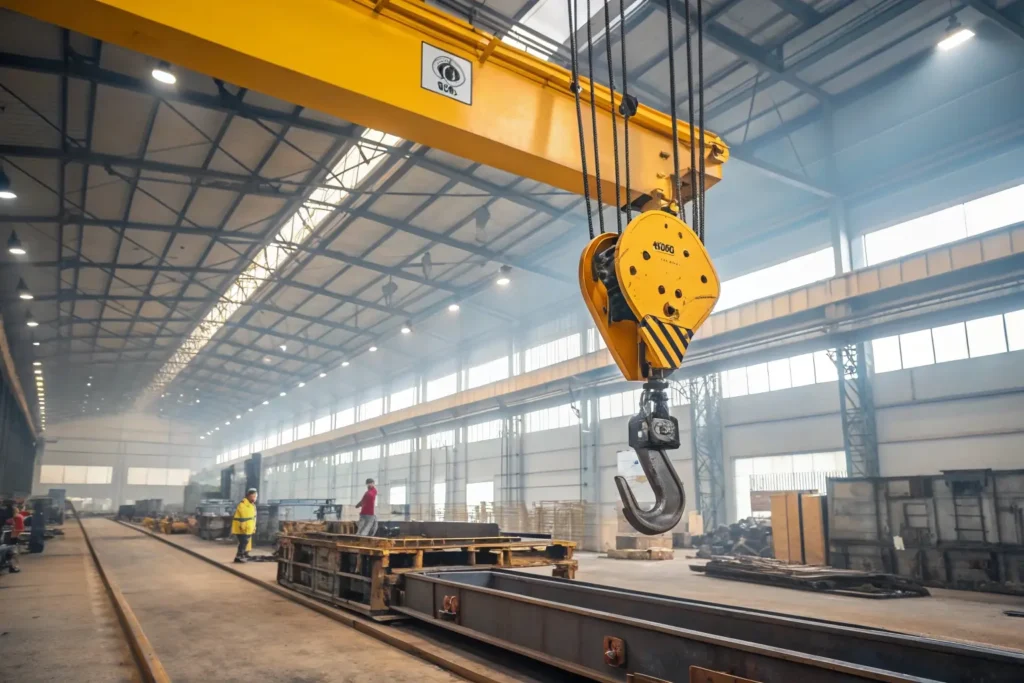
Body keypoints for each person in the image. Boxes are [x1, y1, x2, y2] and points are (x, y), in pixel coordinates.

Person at [232, 488, 258, 563]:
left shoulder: (251, 505)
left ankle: (245, 554)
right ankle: (239, 556)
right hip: (242, 528)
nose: (254, 498)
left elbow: (253, 518)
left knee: (247, 542)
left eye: (255, 497)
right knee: (243, 542)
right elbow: (245, 518)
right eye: (253, 496)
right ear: (248, 496)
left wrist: (253, 527)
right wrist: (245, 528)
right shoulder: (243, 504)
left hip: (249, 527)